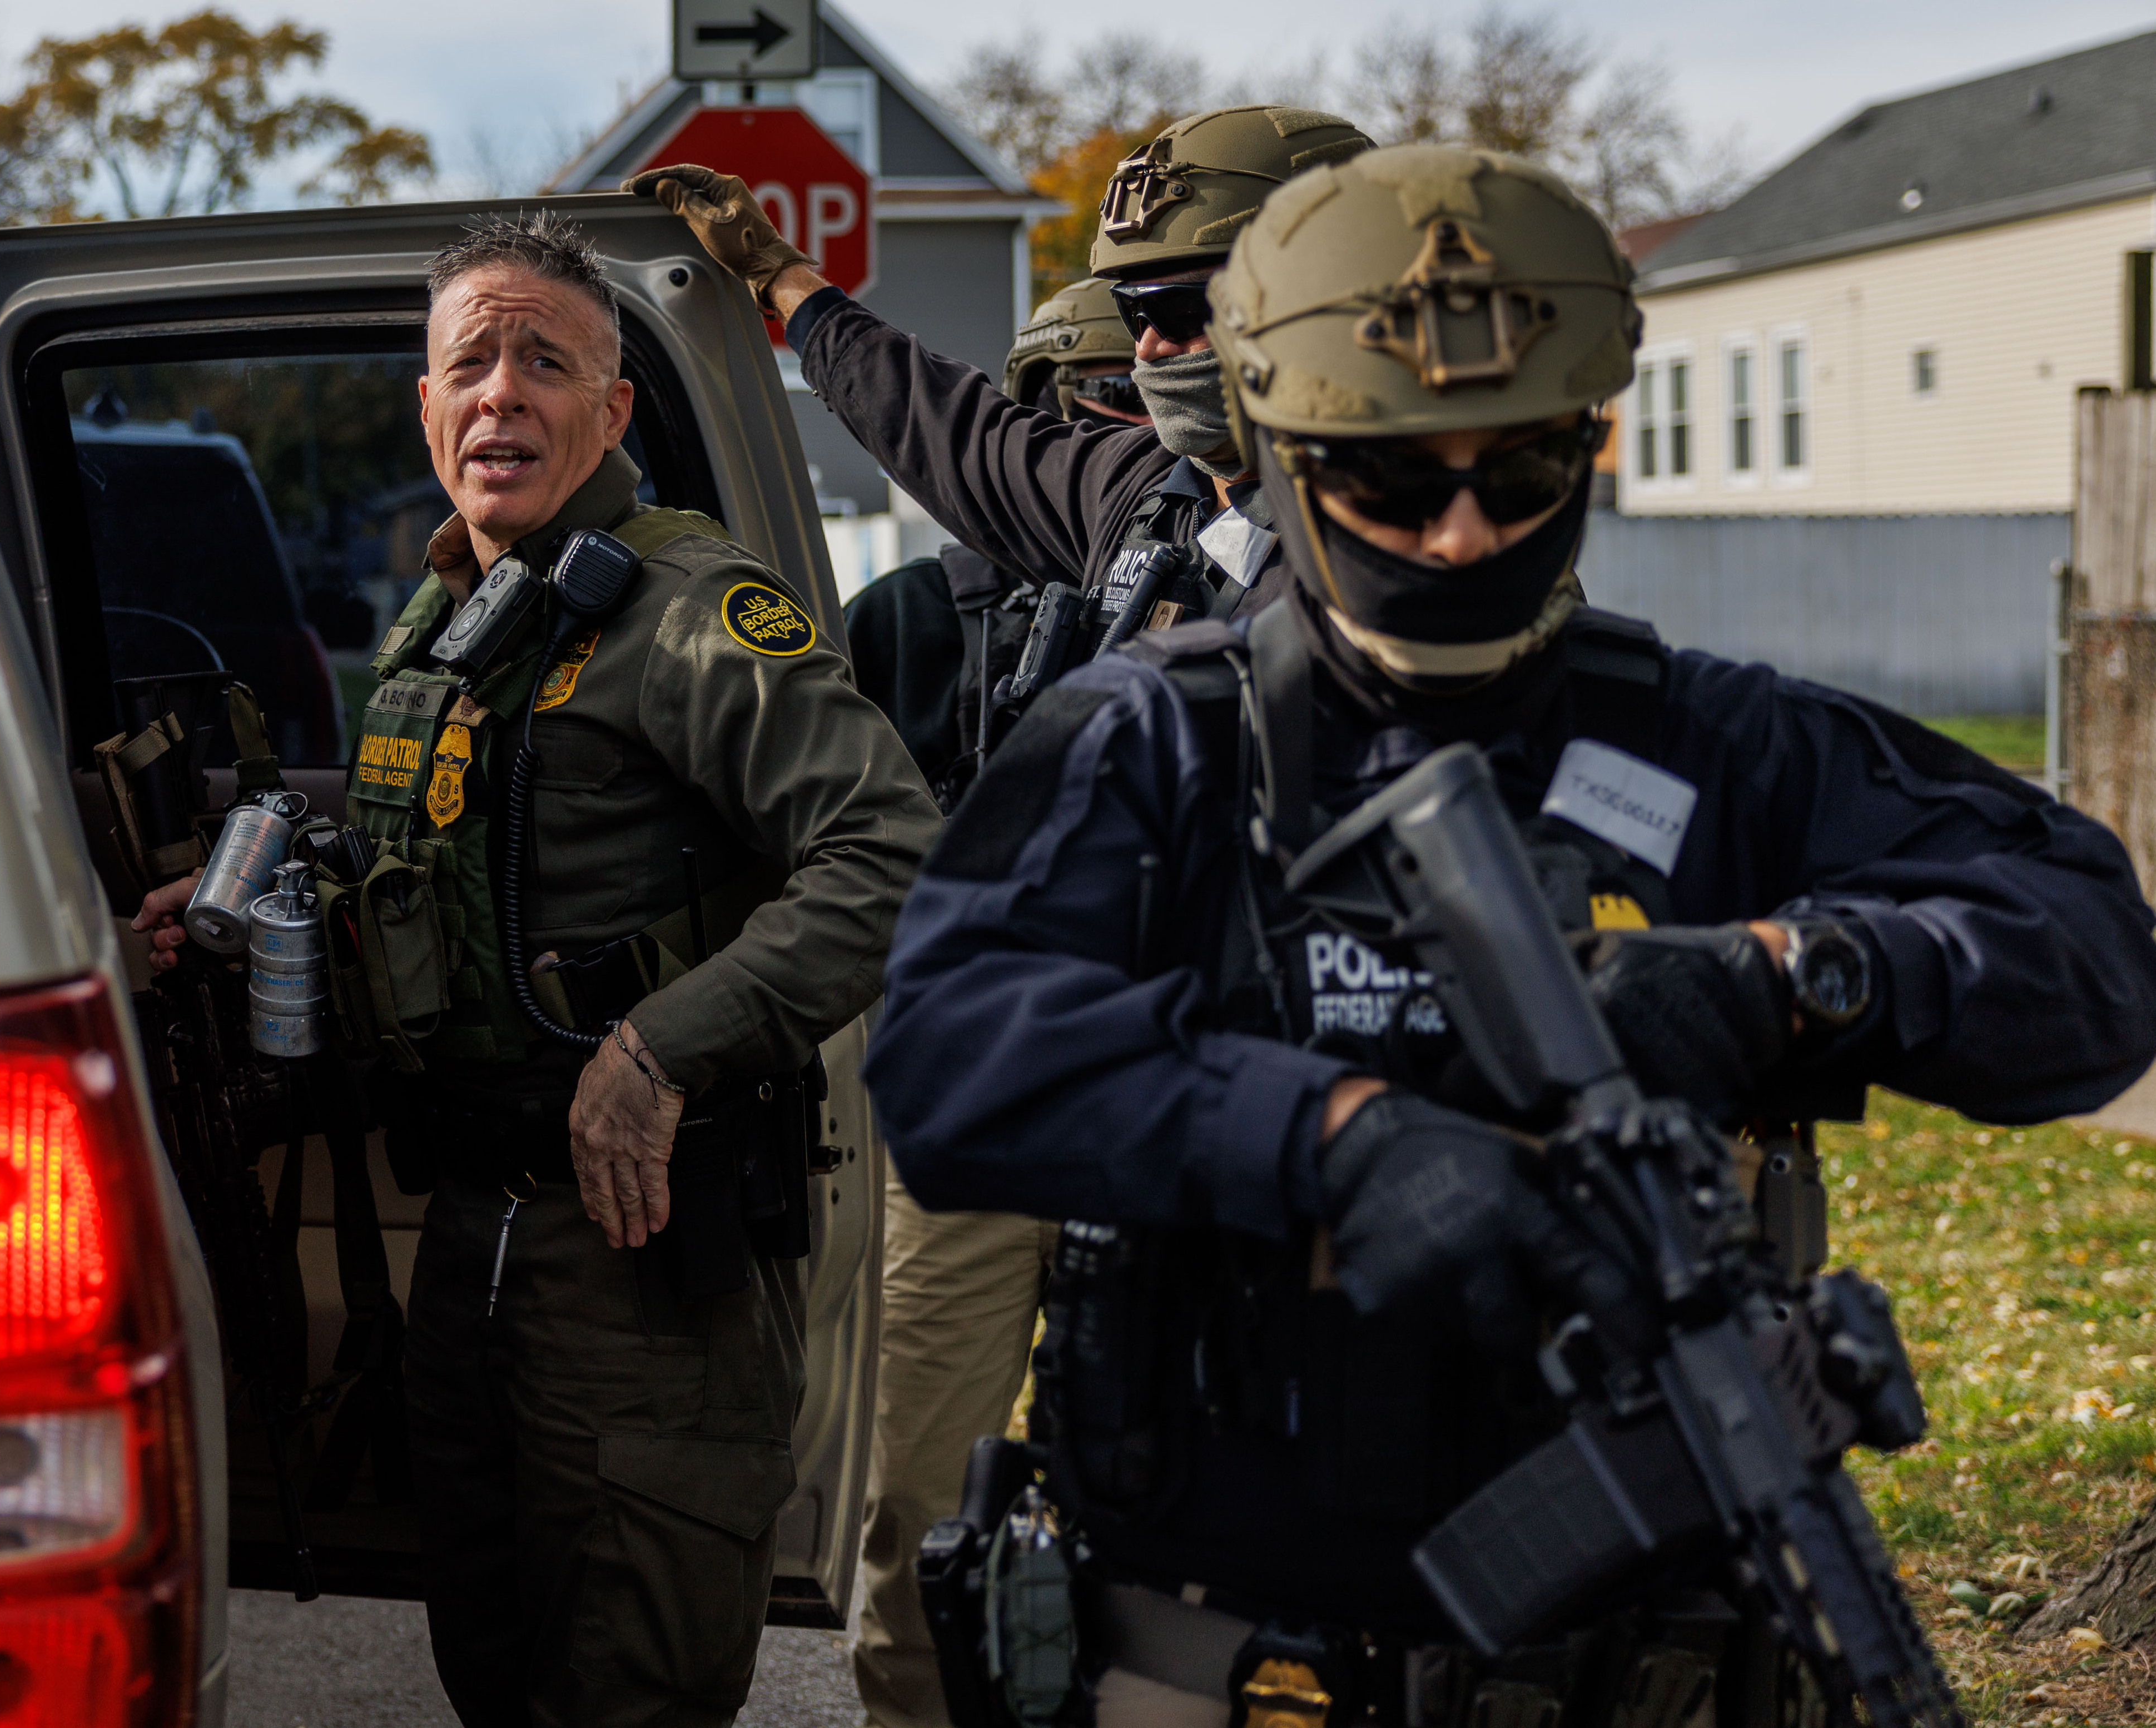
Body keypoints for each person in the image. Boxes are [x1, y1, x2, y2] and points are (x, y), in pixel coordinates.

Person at [853, 143, 2156, 1726]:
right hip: (1224, 1655)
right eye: (1396, 480)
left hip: (1632, 1656)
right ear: (1285, 446)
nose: (1463, 533)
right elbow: (947, 1054)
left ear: (1586, 448)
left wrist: (1787, 975)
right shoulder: (1153, 740)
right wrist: (1327, 1135)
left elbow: (2088, 945)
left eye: (1518, 473)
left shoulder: (1705, 738)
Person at [135, 211, 940, 1728]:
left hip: (647, 1266)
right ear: (426, 406)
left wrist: (662, 1047)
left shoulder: (688, 610)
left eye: (544, 361)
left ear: (612, 409)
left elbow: (892, 853)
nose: (501, 392)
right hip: (475, 1239)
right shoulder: (450, 616)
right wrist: (236, 901)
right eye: (469, 363)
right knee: (493, 1676)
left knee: (628, 1691)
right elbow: (447, 871)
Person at [836, 274, 1165, 1728]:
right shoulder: (899, 623)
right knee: (918, 1499)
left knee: (1165, 1503)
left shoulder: (1211, 592)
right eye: (1101, 406)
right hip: (967, 1121)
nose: (1128, 442)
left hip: (1159, 1110)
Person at [631, 106, 1374, 664]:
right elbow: (946, 427)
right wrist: (784, 282)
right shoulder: (1139, 492)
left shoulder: (1413, 532)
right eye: (1130, 311)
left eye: (1181, 310)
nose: (1148, 346)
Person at [843, 277, 1155, 797]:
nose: (1155, 424)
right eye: (1124, 392)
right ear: (1038, 410)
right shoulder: (906, 620)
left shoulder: (1228, 586)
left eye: (1165, 388)